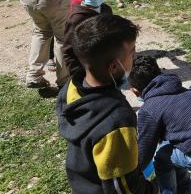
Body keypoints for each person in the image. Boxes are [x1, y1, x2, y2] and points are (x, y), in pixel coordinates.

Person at [56, 14, 154, 194]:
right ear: (114, 67)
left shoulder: (72, 87)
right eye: (132, 52)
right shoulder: (116, 121)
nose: (135, 55)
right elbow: (123, 187)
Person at [131, 55, 191, 194]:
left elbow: (145, 152)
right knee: (168, 148)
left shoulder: (149, 109)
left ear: (134, 91)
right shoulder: (181, 90)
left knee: (162, 157)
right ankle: (184, 188)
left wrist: (132, 177)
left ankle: (169, 191)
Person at [62, 0, 112, 79]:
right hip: (87, 74)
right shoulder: (76, 19)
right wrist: (78, 77)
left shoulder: (106, 10)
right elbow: (68, 51)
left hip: (108, 69)